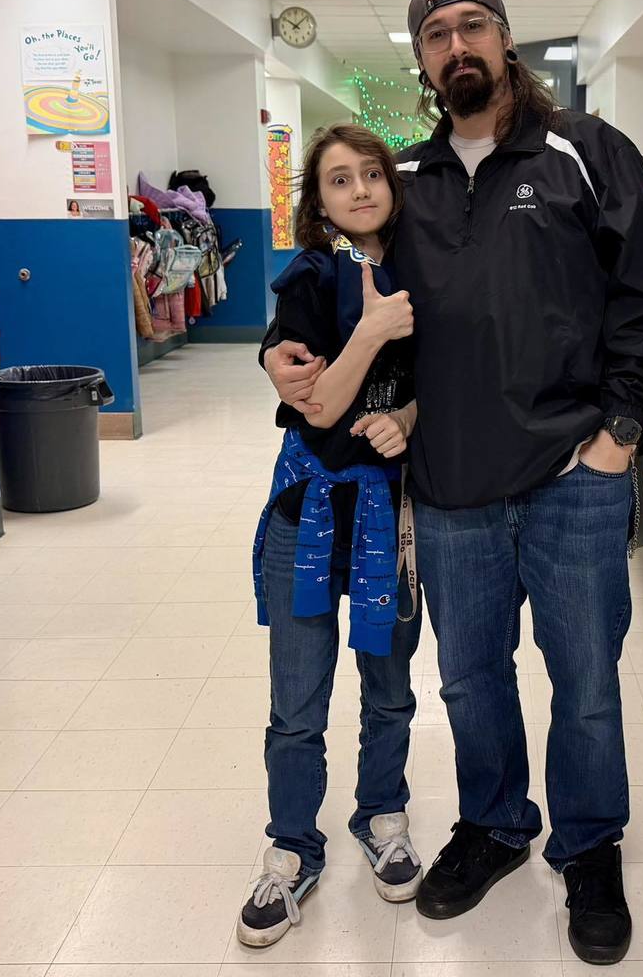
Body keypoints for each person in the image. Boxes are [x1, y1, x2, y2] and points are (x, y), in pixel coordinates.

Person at [262, 0, 643, 965]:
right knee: (468, 678)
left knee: (584, 680)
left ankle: (588, 847)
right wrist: (276, 346)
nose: (456, 44)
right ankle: (496, 824)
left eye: (473, 25)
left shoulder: (586, 151)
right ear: (420, 60)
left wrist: (618, 434)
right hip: (450, 482)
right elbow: (330, 285)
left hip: (574, 475)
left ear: (506, 41)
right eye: (436, 33)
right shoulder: (403, 181)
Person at [239, 124, 424, 949]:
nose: (358, 191)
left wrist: (407, 417)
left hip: (395, 515)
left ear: (392, 182)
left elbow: (451, 380)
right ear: (319, 202)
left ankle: (382, 815)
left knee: (389, 688)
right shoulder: (310, 277)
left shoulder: (428, 269)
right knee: (297, 702)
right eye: (338, 181)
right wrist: (374, 330)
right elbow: (315, 406)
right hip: (308, 510)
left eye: (370, 174)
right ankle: (291, 847)